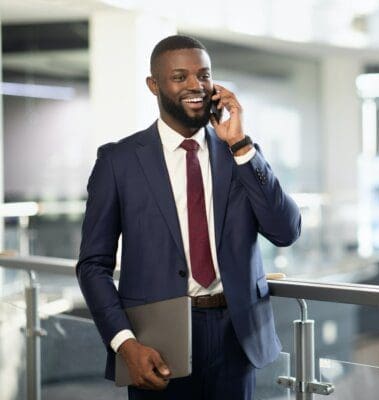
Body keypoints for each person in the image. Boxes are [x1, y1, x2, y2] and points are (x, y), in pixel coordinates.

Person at [76, 34, 301, 400]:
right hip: (156, 342)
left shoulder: (240, 154)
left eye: (203, 75)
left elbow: (286, 231)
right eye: (180, 77)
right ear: (154, 85)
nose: (195, 85)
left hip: (236, 336)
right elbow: (92, 265)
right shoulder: (118, 162)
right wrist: (125, 343)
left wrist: (241, 145)